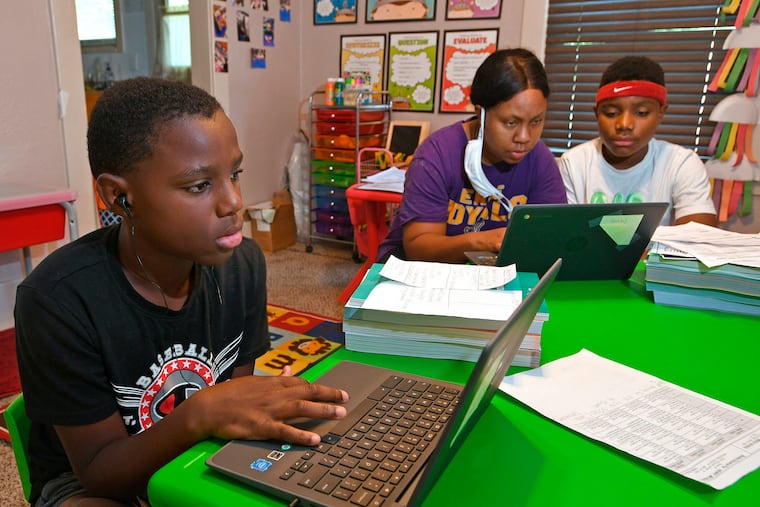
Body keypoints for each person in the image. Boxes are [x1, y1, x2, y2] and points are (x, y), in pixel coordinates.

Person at [14, 77, 349, 506]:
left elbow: (233, 403)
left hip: (196, 448)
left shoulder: (243, 265)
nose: (233, 203)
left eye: (235, 174)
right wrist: (201, 413)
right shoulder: (58, 300)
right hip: (94, 481)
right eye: (199, 186)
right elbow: (102, 476)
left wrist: (238, 414)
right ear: (118, 197)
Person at [377, 48, 567, 264]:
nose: (524, 137)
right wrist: (481, 242)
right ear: (480, 112)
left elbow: (550, 240)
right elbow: (419, 249)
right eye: (510, 123)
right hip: (422, 273)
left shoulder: (540, 160)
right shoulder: (436, 155)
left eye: (536, 121)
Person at [559, 56, 717, 227]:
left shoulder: (680, 163)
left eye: (641, 113)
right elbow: (564, 233)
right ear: (597, 113)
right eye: (611, 113)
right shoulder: (574, 163)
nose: (624, 125)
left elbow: (699, 237)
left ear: (661, 113)